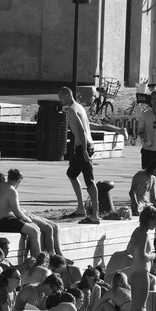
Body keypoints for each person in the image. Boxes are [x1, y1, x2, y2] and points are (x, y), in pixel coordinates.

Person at [60, 85, 99, 223]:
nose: (60, 101)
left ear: (66, 96)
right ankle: (81, 208)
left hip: (84, 146)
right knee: (71, 174)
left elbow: (82, 131)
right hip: (84, 145)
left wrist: (83, 151)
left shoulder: (71, 109)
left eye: (61, 98)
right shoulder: (80, 107)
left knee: (89, 181)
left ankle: (95, 214)